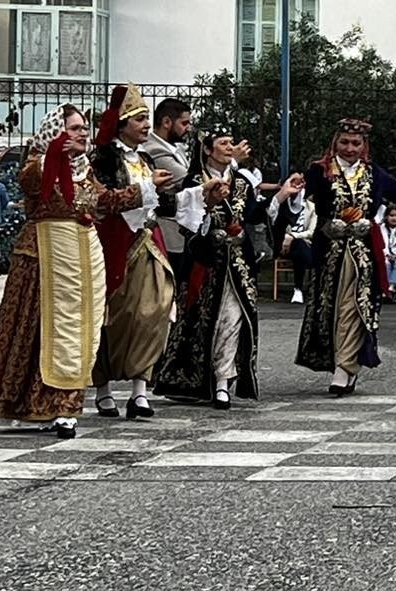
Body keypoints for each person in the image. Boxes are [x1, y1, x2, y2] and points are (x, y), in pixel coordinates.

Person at [0, 107, 139, 438]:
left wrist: (147, 192)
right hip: (42, 262)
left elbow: (103, 201)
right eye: (75, 128)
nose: (82, 133)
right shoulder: (38, 165)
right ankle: (36, 402)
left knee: (78, 330)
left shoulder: (85, 170)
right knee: (36, 332)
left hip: (82, 259)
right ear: (56, 132)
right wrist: (53, 153)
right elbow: (31, 183)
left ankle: (65, 405)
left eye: (84, 129)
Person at [293, 117, 396, 396]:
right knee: (331, 308)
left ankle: (346, 367)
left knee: (355, 307)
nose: (350, 148)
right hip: (329, 252)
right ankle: (340, 363)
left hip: (362, 254)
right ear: (334, 143)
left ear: (364, 146)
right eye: (344, 142)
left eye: (356, 143)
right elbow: (303, 200)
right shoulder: (320, 170)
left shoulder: (373, 174)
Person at [153, 123, 268, 410]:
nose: (230, 147)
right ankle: (199, 379)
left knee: (233, 318)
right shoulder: (194, 182)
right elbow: (184, 221)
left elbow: (254, 214)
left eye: (232, 142)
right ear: (207, 149)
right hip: (205, 262)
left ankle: (222, 381)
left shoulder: (241, 181)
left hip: (238, 264)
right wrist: (208, 224)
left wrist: (281, 197)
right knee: (205, 320)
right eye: (224, 142)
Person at [88, 84, 177, 420]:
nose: (145, 125)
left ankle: (140, 390)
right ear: (122, 123)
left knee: (154, 311)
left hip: (147, 242)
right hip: (115, 244)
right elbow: (105, 201)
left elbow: (163, 203)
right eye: (139, 119)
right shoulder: (104, 159)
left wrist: (194, 195)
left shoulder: (147, 158)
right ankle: (103, 388)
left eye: (146, 118)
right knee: (114, 316)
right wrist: (148, 186)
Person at [141, 97, 193, 283]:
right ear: (166, 122)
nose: (188, 128)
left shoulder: (172, 148)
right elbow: (189, 180)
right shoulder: (155, 150)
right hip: (167, 231)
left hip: (179, 229)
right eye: (184, 123)